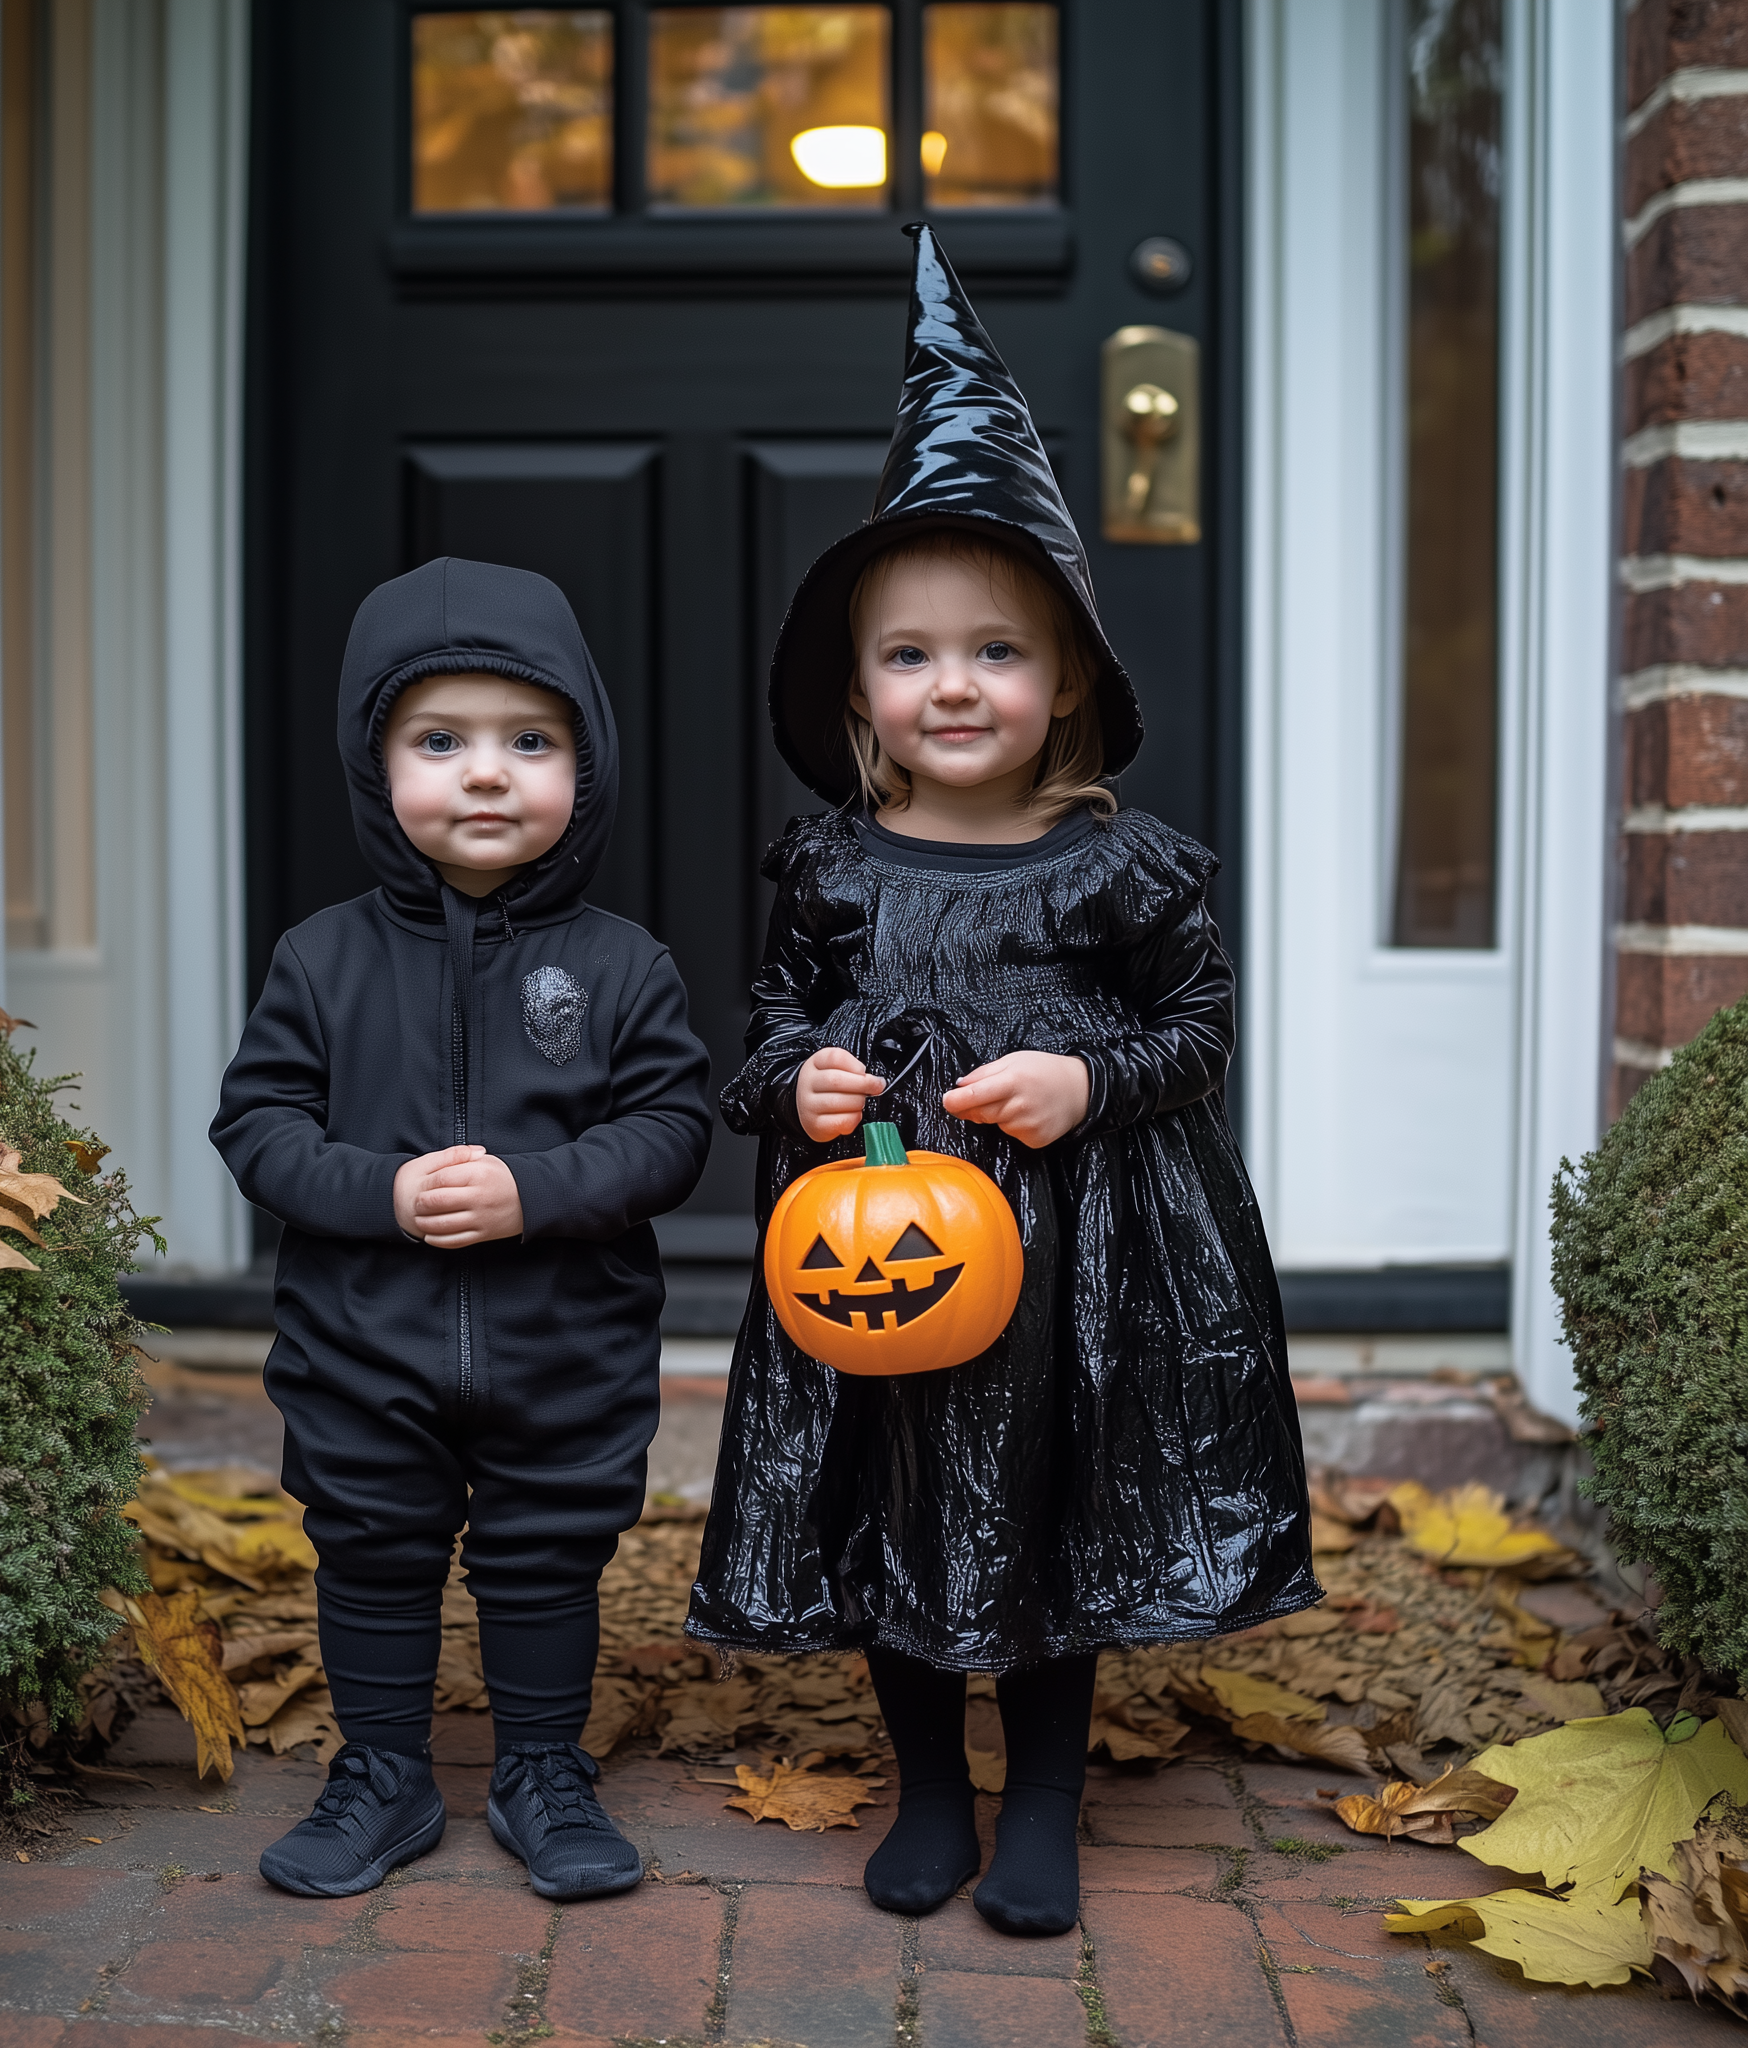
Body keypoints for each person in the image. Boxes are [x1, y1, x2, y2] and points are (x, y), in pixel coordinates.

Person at [687, 226, 1319, 1937]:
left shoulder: (1126, 870)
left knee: (1053, 1514)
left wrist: (1090, 1082)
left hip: (1080, 1268)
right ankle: (931, 1793)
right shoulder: (828, 866)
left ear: (1070, 692)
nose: (954, 682)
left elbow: (1198, 1032)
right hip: (877, 1255)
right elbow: (762, 1030)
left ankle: (1042, 1795)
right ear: (862, 700)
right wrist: (796, 1082)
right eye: (912, 655)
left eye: (999, 652)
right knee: (898, 1502)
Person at [212, 557, 711, 1902]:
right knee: (369, 1539)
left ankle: (544, 1766)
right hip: (361, 1338)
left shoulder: (621, 966)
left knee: (546, 1546)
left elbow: (674, 1131)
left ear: (585, 766)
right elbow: (255, 1129)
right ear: (377, 766)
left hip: (565, 1338)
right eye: (441, 740)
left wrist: (535, 1190)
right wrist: (379, 1191)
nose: (487, 774)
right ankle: (381, 1772)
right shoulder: (321, 960)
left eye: (529, 741)